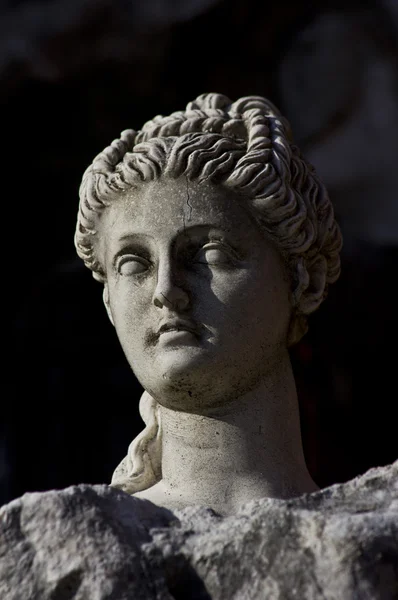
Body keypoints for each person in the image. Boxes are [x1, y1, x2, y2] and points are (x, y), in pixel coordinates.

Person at [75, 93, 342, 514]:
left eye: (209, 254)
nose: (166, 290)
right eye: (133, 264)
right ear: (109, 303)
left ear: (302, 281)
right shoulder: (80, 533)